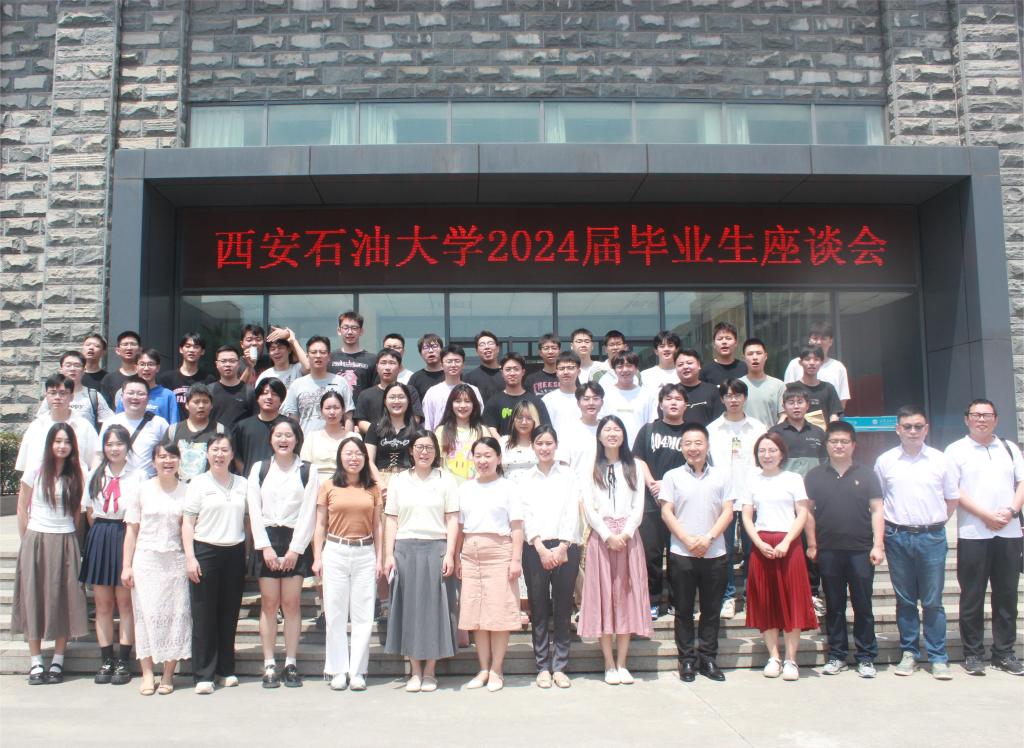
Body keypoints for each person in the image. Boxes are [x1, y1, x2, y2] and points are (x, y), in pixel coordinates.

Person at [874, 405, 959, 680]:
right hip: (897, 537)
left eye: (918, 426)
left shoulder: (940, 460)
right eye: (907, 426)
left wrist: (935, 523)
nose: (913, 431)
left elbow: (952, 498)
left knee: (933, 600)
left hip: (931, 537)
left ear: (926, 429)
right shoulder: (885, 461)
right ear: (898, 429)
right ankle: (909, 652)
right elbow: (879, 501)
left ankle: (938, 657)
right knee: (905, 600)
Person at [945, 399, 1024, 676]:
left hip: (1009, 532)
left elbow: (1022, 482)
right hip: (973, 533)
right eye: (976, 415)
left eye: (987, 415)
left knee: (1007, 595)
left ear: (996, 419)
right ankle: (973, 653)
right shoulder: (955, 450)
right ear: (966, 419)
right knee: (972, 595)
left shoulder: (1008, 448)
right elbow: (954, 490)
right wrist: (986, 515)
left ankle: (1004, 652)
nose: (981, 419)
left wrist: (1012, 511)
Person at [804, 421, 884, 678]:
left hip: (861, 550)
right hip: (828, 550)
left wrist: (878, 545)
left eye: (844, 442)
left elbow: (877, 510)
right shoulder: (814, 476)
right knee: (834, 606)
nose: (839, 446)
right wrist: (812, 544)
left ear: (853, 445)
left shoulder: (867, 474)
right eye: (834, 441)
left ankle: (866, 657)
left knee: (863, 606)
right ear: (827, 445)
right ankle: (837, 655)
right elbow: (808, 513)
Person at [382, 431, 460, 692]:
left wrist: (450, 553)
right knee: (409, 611)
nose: (424, 452)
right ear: (411, 450)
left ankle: (430, 671)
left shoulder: (446, 480)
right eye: (419, 447)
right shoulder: (398, 480)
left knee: (436, 609)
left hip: (436, 548)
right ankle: (414, 670)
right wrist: (389, 553)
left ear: (436, 451)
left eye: (429, 447)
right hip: (405, 548)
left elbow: (452, 519)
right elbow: (391, 518)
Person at [12, 424, 89, 685]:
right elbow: (22, 507)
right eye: (57, 441)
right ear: (50, 443)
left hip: (65, 538)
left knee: (64, 599)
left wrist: (75, 543)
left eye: (66, 442)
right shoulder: (36, 469)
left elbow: (77, 514)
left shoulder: (77, 473)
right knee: (33, 597)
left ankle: (58, 659)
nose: (62, 446)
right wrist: (27, 540)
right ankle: (36, 661)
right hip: (36, 537)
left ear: (72, 446)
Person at [578, 415, 652, 685]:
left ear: (624, 434)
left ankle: (623, 663)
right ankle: (608, 663)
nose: (612, 433)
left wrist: (626, 533)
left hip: (629, 538)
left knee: (625, 597)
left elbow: (638, 505)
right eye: (607, 429)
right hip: (602, 538)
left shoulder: (634, 466)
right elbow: (588, 505)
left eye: (616, 429)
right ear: (599, 435)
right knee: (604, 597)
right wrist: (608, 534)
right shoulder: (590, 466)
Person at [247, 419, 319, 689]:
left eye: (288, 435)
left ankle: (290, 662)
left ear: (297, 439)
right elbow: (254, 508)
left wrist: (295, 549)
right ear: (271, 439)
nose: (283, 440)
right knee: (269, 603)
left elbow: (309, 511)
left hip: (294, 539)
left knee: (291, 603)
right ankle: (269, 663)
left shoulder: (308, 470)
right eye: (278, 435)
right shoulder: (259, 468)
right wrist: (264, 546)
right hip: (266, 538)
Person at [740, 432, 818, 681]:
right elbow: (746, 516)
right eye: (762, 450)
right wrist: (759, 542)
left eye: (772, 450)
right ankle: (773, 656)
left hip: (789, 544)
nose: (767, 455)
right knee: (767, 600)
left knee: (792, 599)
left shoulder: (793, 479)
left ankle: (791, 659)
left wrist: (787, 541)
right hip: (762, 544)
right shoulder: (752, 480)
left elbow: (802, 513)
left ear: (782, 453)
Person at [659, 423, 733, 683]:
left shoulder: (722, 475)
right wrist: (687, 539)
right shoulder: (672, 476)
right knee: (683, 610)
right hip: (682, 553)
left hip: (715, 552)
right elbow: (666, 511)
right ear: (681, 448)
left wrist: (709, 538)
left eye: (698, 443)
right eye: (688, 443)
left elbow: (728, 511)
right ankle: (687, 660)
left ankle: (709, 659)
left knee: (711, 609)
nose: (693, 448)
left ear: (707, 446)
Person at [121, 442, 192, 696]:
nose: (167, 461)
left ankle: (168, 675)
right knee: (145, 617)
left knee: (175, 619)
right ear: (153, 462)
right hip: (146, 561)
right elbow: (132, 530)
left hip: (175, 561)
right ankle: (148, 673)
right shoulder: (142, 490)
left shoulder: (187, 491)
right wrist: (126, 565)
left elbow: (188, 528)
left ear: (179, 461)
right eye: (162, 457)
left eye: (172, 456)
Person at [312, 436, 382, 692]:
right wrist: (317, 556)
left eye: (358, 454)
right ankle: (337, 669)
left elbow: (377, 525)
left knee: (363, 615)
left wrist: (380, 557)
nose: (354, 458)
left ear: (365, 458)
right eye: (348, 453)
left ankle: (358, 670)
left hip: (365, 551)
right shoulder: (328, 486)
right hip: (336, 550)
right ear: (340, 458)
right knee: (335, 613)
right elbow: (320, 524)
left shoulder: (372, 488)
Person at [457, 436, 524, 692]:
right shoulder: (465, 488)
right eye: (478, 456)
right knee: (476, 614)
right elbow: (459, 527)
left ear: (498, 458)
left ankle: (497, 668)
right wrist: (457, 556)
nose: (483, 460)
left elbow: (517, 527)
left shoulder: (508, 488)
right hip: (470, 554)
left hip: (499, 552)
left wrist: (515, 559)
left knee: (498, 613)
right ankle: (483, 668)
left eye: (488, 455)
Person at [182, 434, 248, 695]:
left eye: (224, 450)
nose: (219, 455)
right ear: (207, 454)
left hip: (234, 551)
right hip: (205, 551)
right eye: (215, 450)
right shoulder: (198, 483)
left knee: (229, 614)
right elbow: (188, 523)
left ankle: (226, 669)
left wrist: (248, 552)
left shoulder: (242, 484)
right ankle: (203, 674)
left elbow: (247, 520)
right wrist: (190, 557)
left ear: (232, 455)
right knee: (204, 615)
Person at [520, 425, 583, 689]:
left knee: (563, 606)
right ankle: (542, 667)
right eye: (539, 443)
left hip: (565, 545)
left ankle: (560, 666)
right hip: (535, 547)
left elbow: (572, 511)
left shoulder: (569, 475)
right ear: (533, 446)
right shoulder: (525, 478)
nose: (544, 448)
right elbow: (525, 513)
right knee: (538, 606)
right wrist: (540, 546)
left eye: (549, 443)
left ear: (556, 445)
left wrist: (563, 546)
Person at [81, 425, 137, 686]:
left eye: (119, 444)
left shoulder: (137, 475)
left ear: (128, 447)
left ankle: (123, 660)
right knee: (103, 604)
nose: (114, 449)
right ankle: (106, 659)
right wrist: (100, 535)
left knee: (125, 603)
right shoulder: (95, 474)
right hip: (101, 535)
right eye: (109, 444)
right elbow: (89, 512)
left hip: (125, 534)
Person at [707, 378, 767, 620]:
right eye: (728, 395)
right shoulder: (712, 429)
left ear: (745, 398)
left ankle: (754, 596)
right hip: (724, 499)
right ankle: (728, 597)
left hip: (753, 497)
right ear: (722, 399)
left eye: (738, 395)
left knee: (754, 550)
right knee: (725, 552)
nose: (733, 400)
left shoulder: (759, 428)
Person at [632, 383, 688, 618]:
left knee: (679, 555)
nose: (673, 402)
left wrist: (670, 485)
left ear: (686, 404)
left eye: (678, 399)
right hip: (651, 502)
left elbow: (696, 461)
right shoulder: (648, 430)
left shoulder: (691, 432)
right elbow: (638, 459)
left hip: (682, 504)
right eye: (669, 398)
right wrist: (652, 484)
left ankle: (678, 601)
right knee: (651, 554)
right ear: (661, 403)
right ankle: (652, 601)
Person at [16, 373, 100, 477]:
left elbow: (96, 462)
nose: (57, 397)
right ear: (46, 396)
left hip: (75, 483)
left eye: (62, 393)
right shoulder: (36, 427)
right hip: (41, 484)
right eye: (52, 393)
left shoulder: (84, 427)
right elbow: (23, 467)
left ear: (72, 396)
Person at [281, 336, 354, 435]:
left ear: (329, 356)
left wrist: (348, 440)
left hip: (336, 441)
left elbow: (348, 417)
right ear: (307, 356)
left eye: (322, 352)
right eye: (314, 352)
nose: (318, 356)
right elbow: (293, 419)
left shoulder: (340, 382)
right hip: (306, 442)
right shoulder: (297, 385)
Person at [100, 376, 170, 479]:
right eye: (130, 393)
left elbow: (168, 455)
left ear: (148, 398)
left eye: (140, 394)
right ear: (122, 396)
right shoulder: (110, 422)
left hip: (148, 483)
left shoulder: (160, 424)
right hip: (116, 481)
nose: (135, 397)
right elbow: (99, 455)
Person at [162, 383, 225, 482]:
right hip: (178, 488)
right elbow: (163, 461)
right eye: (196, 402)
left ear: (211, 405)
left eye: (205, 402)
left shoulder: (220, 431)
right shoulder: (173, 431)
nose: (201, 406)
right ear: (187, 405)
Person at [36, 350, 113, 430]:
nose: (72, 369)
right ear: (61, 369)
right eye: (68, 365)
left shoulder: (94, 395)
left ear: (84, 370)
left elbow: (109, 421)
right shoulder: (53, 397)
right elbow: (40, 422)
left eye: (77, 365)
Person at [783, 322, 851, 410]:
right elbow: (787, 395)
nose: (819, 342)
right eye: (815, 338)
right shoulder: (795, 364)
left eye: (823, 339)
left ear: (831, 341)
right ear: (809, 340)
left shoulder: (838, 367)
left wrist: (834, 416)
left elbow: (842, 400)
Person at [353, 348, 423, 433]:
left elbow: (416, 417)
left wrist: (399, 433)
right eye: (383, 363)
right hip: (374, 438)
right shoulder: (365, 394)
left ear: (399, 367)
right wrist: (380, 433)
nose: (387, 367)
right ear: (377, 367)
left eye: (392, 363)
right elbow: (361, 421)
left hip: (404, 437)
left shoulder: (409, 391)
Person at [482, 352, 551, 438]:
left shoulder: (536, 402)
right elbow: (488, 428)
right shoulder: (494, 402)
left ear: (523, 372)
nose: (512, 373)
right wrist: (502, 443)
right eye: (508, 369)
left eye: (516, 369)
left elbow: (544, 428)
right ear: (502, 373)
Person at [232, 377, 288, 479]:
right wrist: (248, 477)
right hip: (250, 482)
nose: (269, 397)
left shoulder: (289, 426)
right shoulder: (243, 426)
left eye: (274, 394)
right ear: (257, 398)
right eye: (265, 393)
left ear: (281, 400)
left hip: (283, 480)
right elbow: (237, 457)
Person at [365, 382, 417, 490]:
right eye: (392, 397)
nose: (396, 401)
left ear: (408, 400)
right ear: (385, 401)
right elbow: (368, 460)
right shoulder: (375, 428)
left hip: (409, 482)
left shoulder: (417, 430)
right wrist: (381, 484)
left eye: (401, 397)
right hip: (380, 480)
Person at [421, 344, 484, 431]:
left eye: (457, 361)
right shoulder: (432, 392)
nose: (453, 365)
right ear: (441, 364)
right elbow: (428, 424)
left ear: (463, 364)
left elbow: (479, 418)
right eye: (449, 361)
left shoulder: (473, 390)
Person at [768, 385, 827, 477]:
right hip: (784, 483)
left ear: (807, 405)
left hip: (812, 483)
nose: (796, 406)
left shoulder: (819, 432)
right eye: (791, 403)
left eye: (800, 402)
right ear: (784, 406)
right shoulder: (775, 433)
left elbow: (824, 461)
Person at [599, 351, 656, 445]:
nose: (625, 370)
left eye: (629, 365)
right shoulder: (605, 395)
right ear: (614, 370)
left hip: (639, 449)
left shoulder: (647, 395)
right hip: (612, 449)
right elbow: (600, 423)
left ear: (636, 369)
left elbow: (651, 424)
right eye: (620, 366)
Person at [435, 383, 487, 484]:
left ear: (474, 405)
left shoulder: (482, 431)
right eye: (458, 401)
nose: (463, 405)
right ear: (451, 404)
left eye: (467, 401)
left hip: (476, 486)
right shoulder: (441, 431)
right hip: (448, 487)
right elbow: (437, 463)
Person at [157, 333, 215, 421]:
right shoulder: (166, 379)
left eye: (196, 347)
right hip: (174, 427)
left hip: (200, 426)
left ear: (202, 351)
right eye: (188, 346)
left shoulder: (209, 379)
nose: (191, 350)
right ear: (181, 349)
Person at [114, 349, 179, 425]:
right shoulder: (128, 394)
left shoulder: (168, 395)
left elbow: (174, 426)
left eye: (150, 364)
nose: (146, 368)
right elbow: (118, 423)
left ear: (158, 368)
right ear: (136, 367)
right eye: (142, 364)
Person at [300, 390, 350, 482]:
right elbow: (304, 467)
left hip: (344, 484)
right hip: (316, 484)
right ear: (321, 411)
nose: (332, 412)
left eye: (336, 408)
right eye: (327, 408)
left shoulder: (352, 438)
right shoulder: (312, 437)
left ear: (343, 410)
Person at [328, 310, 377, 398]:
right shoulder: (330, 358)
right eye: (345, 328)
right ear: (339, 330)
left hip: (362, 407)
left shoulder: (372, 359)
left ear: (361, 331)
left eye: (354, 328)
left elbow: (375, 390)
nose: (350, 332)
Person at [560, 381, 603, 477]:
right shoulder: (568, 430)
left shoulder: (606, 429)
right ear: (578, 403)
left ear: (602, 402)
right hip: (576, 484)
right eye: (586, 399)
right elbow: (563, 464)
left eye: (596, 398)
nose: (591, 403)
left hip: (603, 483)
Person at [740, 337, 785, 427]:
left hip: (770, 434)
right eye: (750, 354)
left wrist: (774, 432)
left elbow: (783, 415)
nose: (755, 357)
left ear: (765, 356)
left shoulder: (779, 385)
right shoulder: (737, 385)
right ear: (744, 358)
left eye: (759, 353)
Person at [794, 346, 843, 428]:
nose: (812, 363)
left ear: (822, 362)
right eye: (807, 359)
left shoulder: (828, 388)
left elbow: (834, 415)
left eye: (816, 359)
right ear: (800, 362)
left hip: (823, 433)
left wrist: (830, 430)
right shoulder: (791, 388)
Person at [207, 345, 255, 428]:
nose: (228, 364)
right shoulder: (208, 391)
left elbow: (254, 421)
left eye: (232, 361)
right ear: (217, 364)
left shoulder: (250, 392)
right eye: (223, 361)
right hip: (215, 436)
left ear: (238, 364)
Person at [541, 351, 584, 438]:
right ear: (556, 372)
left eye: (570, 368)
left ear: (578, 371)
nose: (566, 372)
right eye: (562, 368)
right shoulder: (547, 400)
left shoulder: (587, 398)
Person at [675, 349, 721, 425]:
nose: (685, 367)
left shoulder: (713, 390)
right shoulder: (671, 393)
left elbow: (719, 420)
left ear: (699, 365)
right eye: (680, 365)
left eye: (689, 363)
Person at [100, 330, 142, 408]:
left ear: (139, 350)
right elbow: (104, 409)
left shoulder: (145, 376)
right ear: (118, 350)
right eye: (125, 344)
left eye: (133, 344)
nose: (129, 348)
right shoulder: (109, 379)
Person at [502, 400, 541, 482]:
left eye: (529, 418)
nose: (524, 422)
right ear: (513, 419)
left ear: (535, 420)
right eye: (520, 417)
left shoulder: (541, 443)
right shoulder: (503, 442)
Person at [700, 321, 748, 386]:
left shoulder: (745, 368)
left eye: (728, 338)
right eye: (720, 339)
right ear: (714, 344)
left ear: (736, 343)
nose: (724, 342)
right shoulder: (705, 371)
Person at [463, 330, 504, 403]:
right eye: (482, 344)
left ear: (498, 349)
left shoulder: (508, 375)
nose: (487, 347)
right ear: (477, 351)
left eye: (490, 343)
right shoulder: (469, 379)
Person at [408, 334, 445, 399]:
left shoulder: (452, 375)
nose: (430, 351)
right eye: (426, 348)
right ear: (420, 353)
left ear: (442, 350)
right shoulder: (415, 378)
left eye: (434, 346)